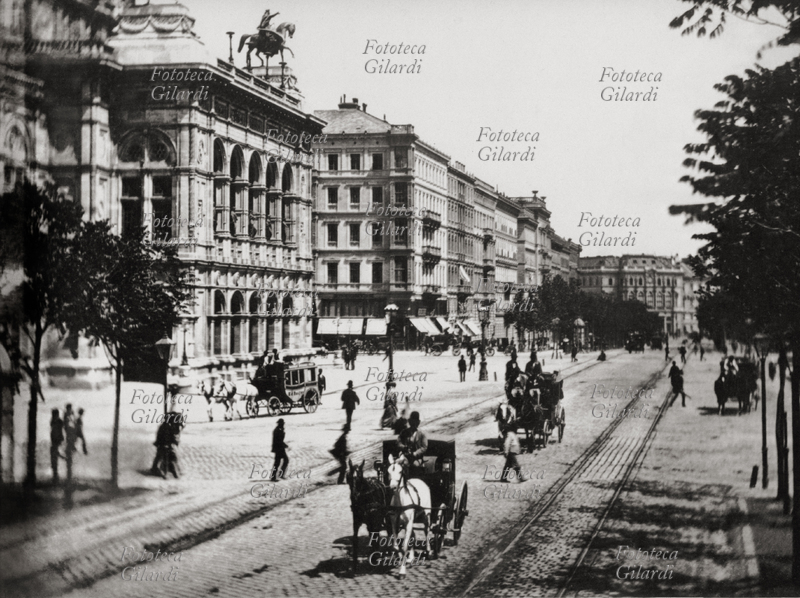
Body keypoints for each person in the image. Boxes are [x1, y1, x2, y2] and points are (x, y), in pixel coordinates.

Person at [50, 409, 64, 483]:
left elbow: (58, 431)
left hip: (55, 441)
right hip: (55, 442)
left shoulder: (56, 422)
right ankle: (55, 477)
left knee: (54, 460)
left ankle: (55, 477)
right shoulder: (55, 422)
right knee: (54, 461)